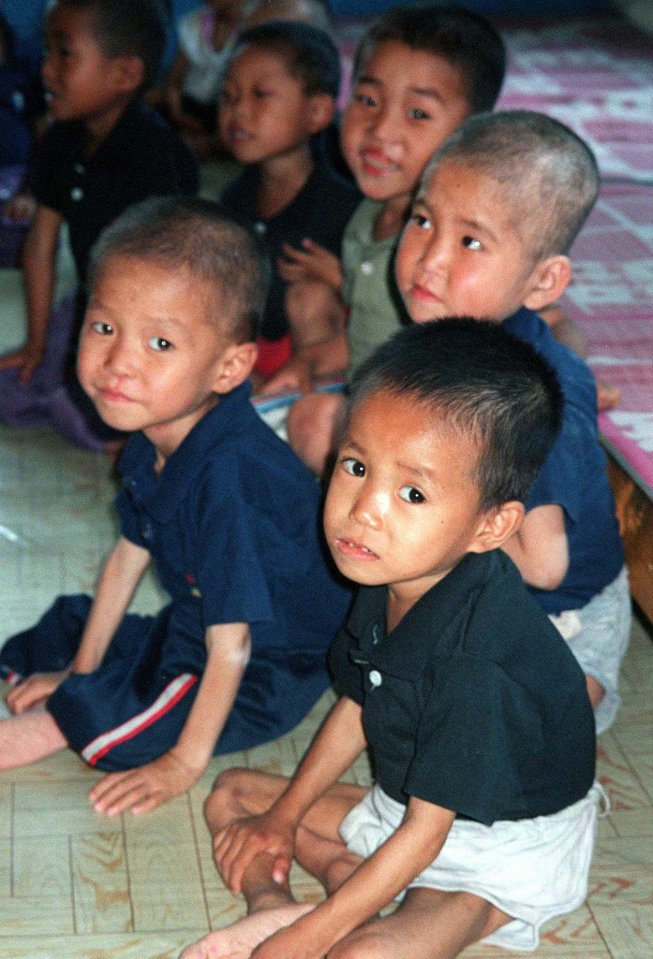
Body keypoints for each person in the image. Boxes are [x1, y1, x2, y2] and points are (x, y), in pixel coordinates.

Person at [180, 318, 602, 959]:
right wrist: (286, 818)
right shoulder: (392, 567)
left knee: (362, 955)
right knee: (236, 795)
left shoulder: (476, 659)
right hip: (406, 805)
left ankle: (351, 916)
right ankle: (288, 903)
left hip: (496, 844)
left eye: (411, 492)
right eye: (355, 465)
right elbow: (358, 701)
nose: (364, 509)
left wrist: (302, 946)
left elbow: (426, 838)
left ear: (491, 527)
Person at [0, 197, 351, 817]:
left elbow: (233, 650)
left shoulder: (229, 484)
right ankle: (90, 691)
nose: (118, 363)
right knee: (62, 628)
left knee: (131, 718)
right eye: (104, 328)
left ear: (229, 367)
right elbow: (124, 562)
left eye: (160, 342)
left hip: (275, 657)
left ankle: (69, 721)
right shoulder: (155, 431)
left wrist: (182, 764)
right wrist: (82, 671)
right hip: (198, 618)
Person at [395, 110, 630, 735]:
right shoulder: (449, 340)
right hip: (486, 590)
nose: (429, 260)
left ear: (542, 281)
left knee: (484, 753)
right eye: (422, 221)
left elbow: (546, 566)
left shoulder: (536, 395)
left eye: (470, 242)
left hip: (565, 621)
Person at [263, 2, 506, 471]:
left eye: (417, 113)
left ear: (471, 133)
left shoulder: (453, 245)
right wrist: (309, 362)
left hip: (427, 431)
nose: (381, 130)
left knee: (314, 424)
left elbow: (539, 328)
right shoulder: (367, 216)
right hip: (368, 389)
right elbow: (369, 338)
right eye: (368, 101)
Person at [0, 0, 199, 454]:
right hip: (97, 302)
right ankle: (73, 397)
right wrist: (34, 343)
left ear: (124, 75)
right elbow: (40, 244)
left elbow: (171, 276)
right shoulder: (60, 140)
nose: (46, 71)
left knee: (98, 408)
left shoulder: (153, 154)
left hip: (162, 311)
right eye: (47, 52)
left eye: (64, 54)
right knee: (13, 391)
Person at [216, 20, 361, 384]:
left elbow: (379, 308)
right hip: (252, 354)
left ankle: (306, 406)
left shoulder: (345, 205)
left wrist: (341, 280)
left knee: (308, 296)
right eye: (229, 97)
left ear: (316, 113)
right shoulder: (232, 201)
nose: (239, 111)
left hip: (320, 357)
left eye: (260, 95)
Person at [163, 0, 245, 159]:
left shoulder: (253, 29)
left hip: (221, 116)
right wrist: (177, 112)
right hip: (187, 106)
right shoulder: (195, 23)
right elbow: (174, 82)